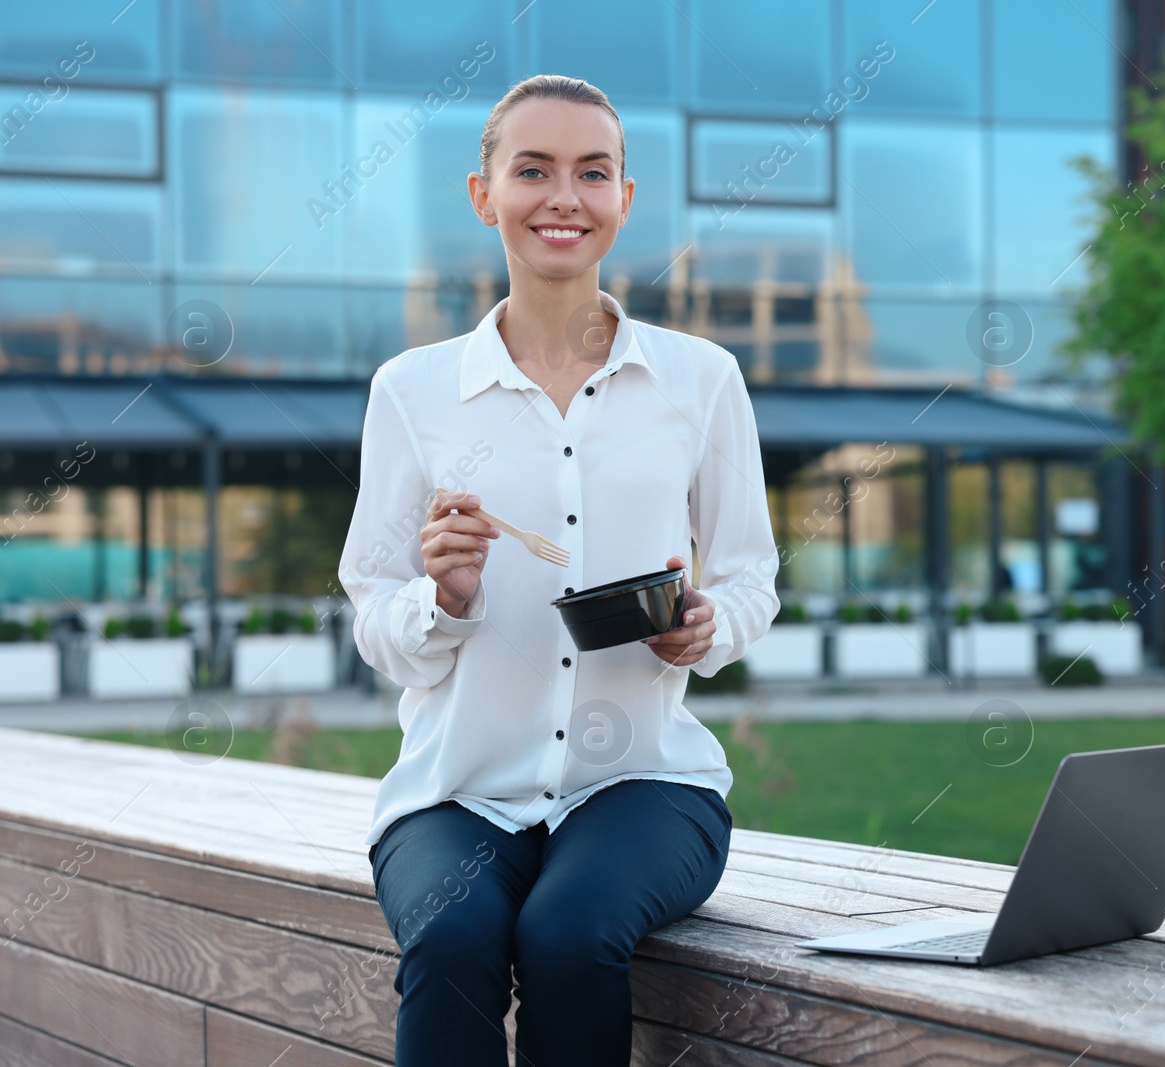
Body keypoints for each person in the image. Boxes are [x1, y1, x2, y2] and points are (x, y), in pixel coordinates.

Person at [337, 74, 780, 1066]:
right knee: (451, 938)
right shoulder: (412, 391)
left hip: (645, 781)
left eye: (592, 172)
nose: (562, 198)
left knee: (569, 936)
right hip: (457, 789)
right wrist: (438, 598)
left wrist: (708, 625)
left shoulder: (699, 378)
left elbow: (753, 574)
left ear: (625, 198)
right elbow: (372, 608)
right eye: (531, 169)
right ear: (482, 193)